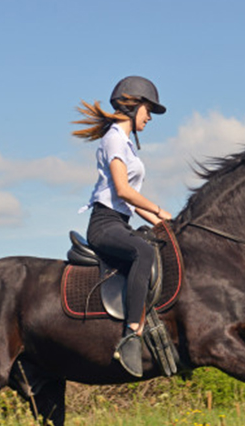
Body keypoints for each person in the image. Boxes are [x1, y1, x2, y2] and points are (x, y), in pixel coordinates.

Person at [73, 76, 172, 377]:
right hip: (105, 224)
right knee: (143, 252)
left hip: (122, 221)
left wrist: (167, 226)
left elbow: (132, 205)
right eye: (148, 109)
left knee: (158, 246)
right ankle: (132, 332)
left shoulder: (126, 144)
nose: (150, 117)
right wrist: (159, 209)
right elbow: (123, 191)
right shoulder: (114, 138)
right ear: (134, 105)